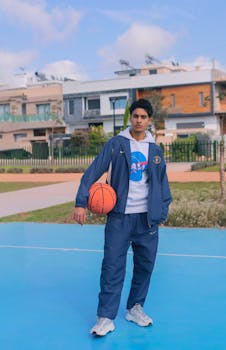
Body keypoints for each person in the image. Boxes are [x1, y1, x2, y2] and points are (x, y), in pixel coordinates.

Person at [73, 98, 172, 336]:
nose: (139, 120)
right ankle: (105, 317)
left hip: (146, 219)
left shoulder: (155, 150)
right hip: (120, 218)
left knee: (144, 266)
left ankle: (135, 308)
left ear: (149, 120)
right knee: (112, 267)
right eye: (135, 116)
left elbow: (162, 184)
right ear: (131, 118)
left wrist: (162, 210)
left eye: (143, 117)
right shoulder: (117, 144)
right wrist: (80, 202)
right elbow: (93, 171)